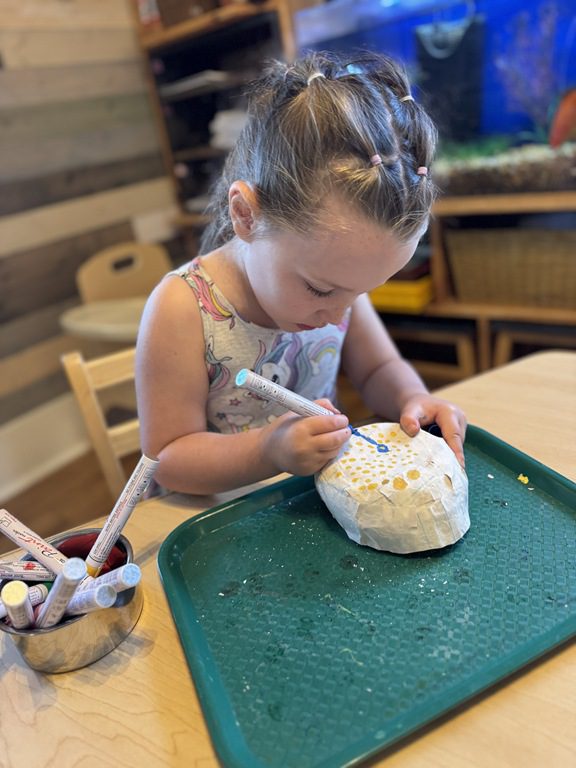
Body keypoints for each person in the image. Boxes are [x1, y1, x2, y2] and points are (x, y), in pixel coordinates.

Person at [135, 50, 467, 495]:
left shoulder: (339, 281)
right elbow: (166, 459)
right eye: (320, 290)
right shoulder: (182, 307)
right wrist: (267, 450)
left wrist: (413, 399)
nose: (338, 315)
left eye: (360, 293)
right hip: (212, 516)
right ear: (246, 215)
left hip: (306, 504)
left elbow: (378, 369)